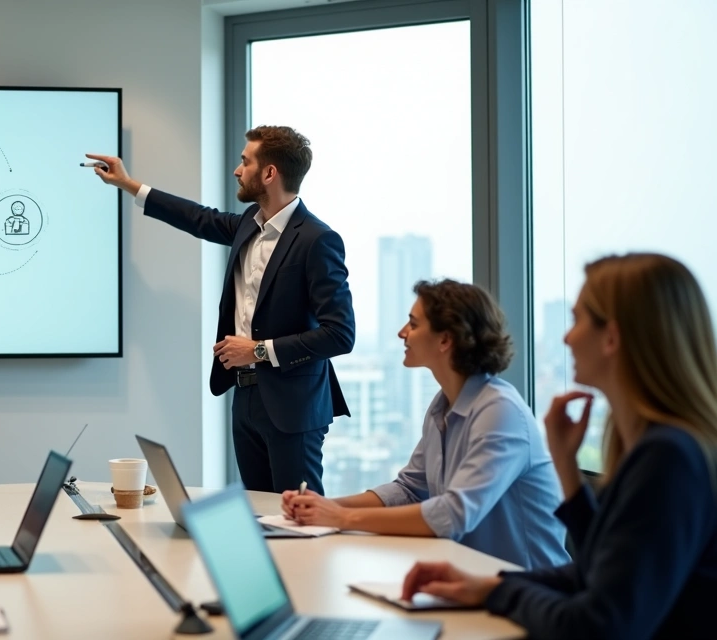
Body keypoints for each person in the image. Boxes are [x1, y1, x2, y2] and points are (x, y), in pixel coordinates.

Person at [402, 253, 717, 639]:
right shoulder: (654, 445)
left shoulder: (668, 457)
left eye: (578, 319)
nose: (567, 337)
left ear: (612, 338)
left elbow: (598, 625)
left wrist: (501, 592)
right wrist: (566, 467)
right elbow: (598, 569)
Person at [87, 125, 355, 494]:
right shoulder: (249, 223)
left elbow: (340, 334)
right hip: (244, 397)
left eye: (245, 161)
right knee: (259, 514)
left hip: (294, 407)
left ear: (269, 173)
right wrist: (128, 184)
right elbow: (197, 217)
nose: (237, 169)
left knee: (298, 518)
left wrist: (259, 350)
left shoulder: (316, 239)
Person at [282, 280, 569, 569]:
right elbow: (408, 490)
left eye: (413, 324)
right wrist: (324, 506)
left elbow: (453, 515)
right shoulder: (442, 405)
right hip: (472, 580)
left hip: (532, 593)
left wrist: (341, 519)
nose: (402, 333)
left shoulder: (500, 412)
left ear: (445, 340)